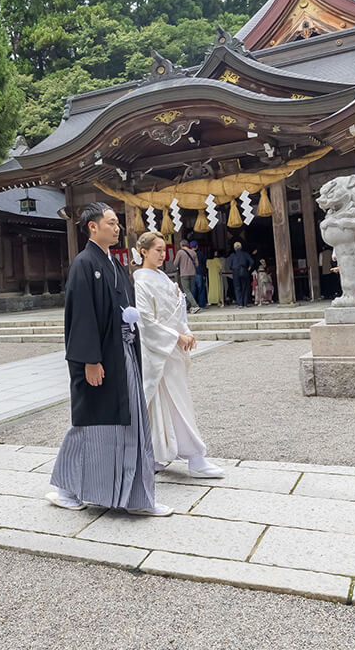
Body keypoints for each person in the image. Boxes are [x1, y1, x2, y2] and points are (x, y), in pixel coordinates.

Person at [45, 203, 171, 517]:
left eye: (117, 224)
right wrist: (89, 360)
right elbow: (82, 316)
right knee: (92, 424)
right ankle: (68, 488)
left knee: (129, 421)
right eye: (112, 223)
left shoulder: (112, 263)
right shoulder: (84, 264)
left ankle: (133, 494)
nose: (117, 228)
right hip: (101, 357)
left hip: (121, 352)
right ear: (93, 226)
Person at [133, 231, 224, 478]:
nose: (163, 255)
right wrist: (176, 337)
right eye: (157, 250)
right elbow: (146, 321)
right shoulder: (140, 281)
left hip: (172, 347)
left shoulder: (163, 277)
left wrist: (186, 331)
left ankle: (160, 454)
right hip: (160, 351)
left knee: (174, 402)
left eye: (164, 250)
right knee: (168, 404)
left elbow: (177, 311)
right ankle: (194, 457)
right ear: (143, 252)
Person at [176, 240, 202, 314]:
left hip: (184, 274)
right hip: (193, 273)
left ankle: (195, 305)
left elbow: (175, 263)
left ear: (181, 245)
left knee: (186, 291)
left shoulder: (180, 252)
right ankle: (188, 307)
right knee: (191, 290)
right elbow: (197, 264)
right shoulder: (193, 252)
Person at [227, 241, 254, 308]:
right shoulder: (245, 254)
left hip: (235, 271)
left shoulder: (232, 256)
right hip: (244, 270)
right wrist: (248, 268)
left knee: (237, 287)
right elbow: (251, 261)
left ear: (234, 248)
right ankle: (245, 304)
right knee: (244, 287)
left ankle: (240, 304)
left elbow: (230, 265)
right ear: (241, 247)